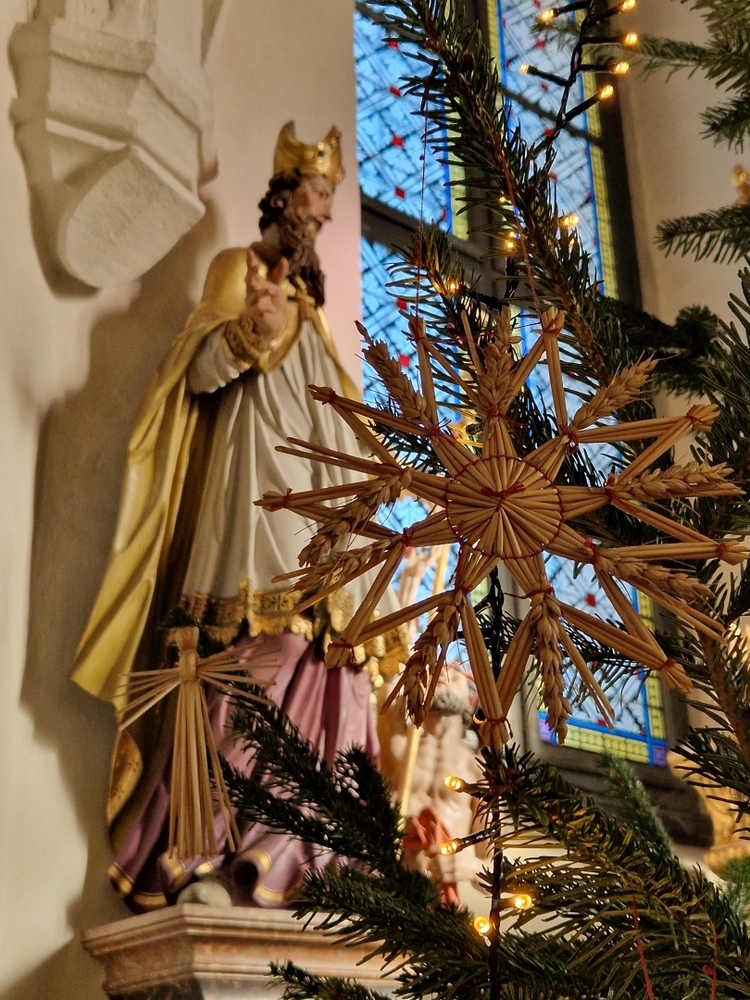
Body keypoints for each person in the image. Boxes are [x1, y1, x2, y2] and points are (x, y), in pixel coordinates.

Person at [71, 123, 406, 910]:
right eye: (315, 196)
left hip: (321, 522)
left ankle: (316, 865)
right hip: (255, 508)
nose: (324, 214)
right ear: (283, 196)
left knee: (341, 671)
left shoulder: (313, 309)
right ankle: (212, 855)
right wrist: (248, 333)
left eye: (330, 200)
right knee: (259, 658)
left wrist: (372, 472)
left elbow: (330, 417)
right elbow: (194, 373)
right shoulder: (239, 270)